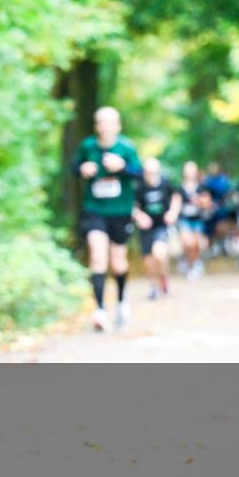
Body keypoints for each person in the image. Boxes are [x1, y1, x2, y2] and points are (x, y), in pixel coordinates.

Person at [73, 107, 143, 331]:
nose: (105, 127)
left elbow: (140, 173)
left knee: (118, 262)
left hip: (120, 212)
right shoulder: (88, 146)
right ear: (96, 126)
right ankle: (100, 310)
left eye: (109, 122)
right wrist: (83, 168)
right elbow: (73, 167)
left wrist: (123, 167)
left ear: (118, 126)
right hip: (95, 210)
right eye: (101, 122)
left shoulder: (126, 147)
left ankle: (122, 303)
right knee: (98, 256)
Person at [133, 158, 181, 300]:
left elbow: (176, 197)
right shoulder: (139, 187)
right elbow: (132, 207)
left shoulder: (166, 183)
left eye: (154, 172)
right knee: (149, 260)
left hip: (161, 225)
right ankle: (153, 286)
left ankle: (164, 279)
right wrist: (140, 216)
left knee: (159, 253)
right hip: (146, 228)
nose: (151, 175)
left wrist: (173, 212)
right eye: (148, 172)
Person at [177, 161, 209, 280]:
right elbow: (176, 203)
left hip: (197, 219)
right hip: (184, 219)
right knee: (187, 243)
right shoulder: (180, 188)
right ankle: (188, 262)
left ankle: (194, 264)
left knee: (195, 244)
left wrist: (200, 201)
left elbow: (208, 203)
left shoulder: (201, 187)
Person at [202, 161, 234, 256]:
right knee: (209, 229)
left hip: (221, 208)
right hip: (209, 208)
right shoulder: (207, 180)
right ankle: (211, 248)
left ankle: (222, 244)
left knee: (221, 227)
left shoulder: (223, 180)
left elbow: (228, 192)